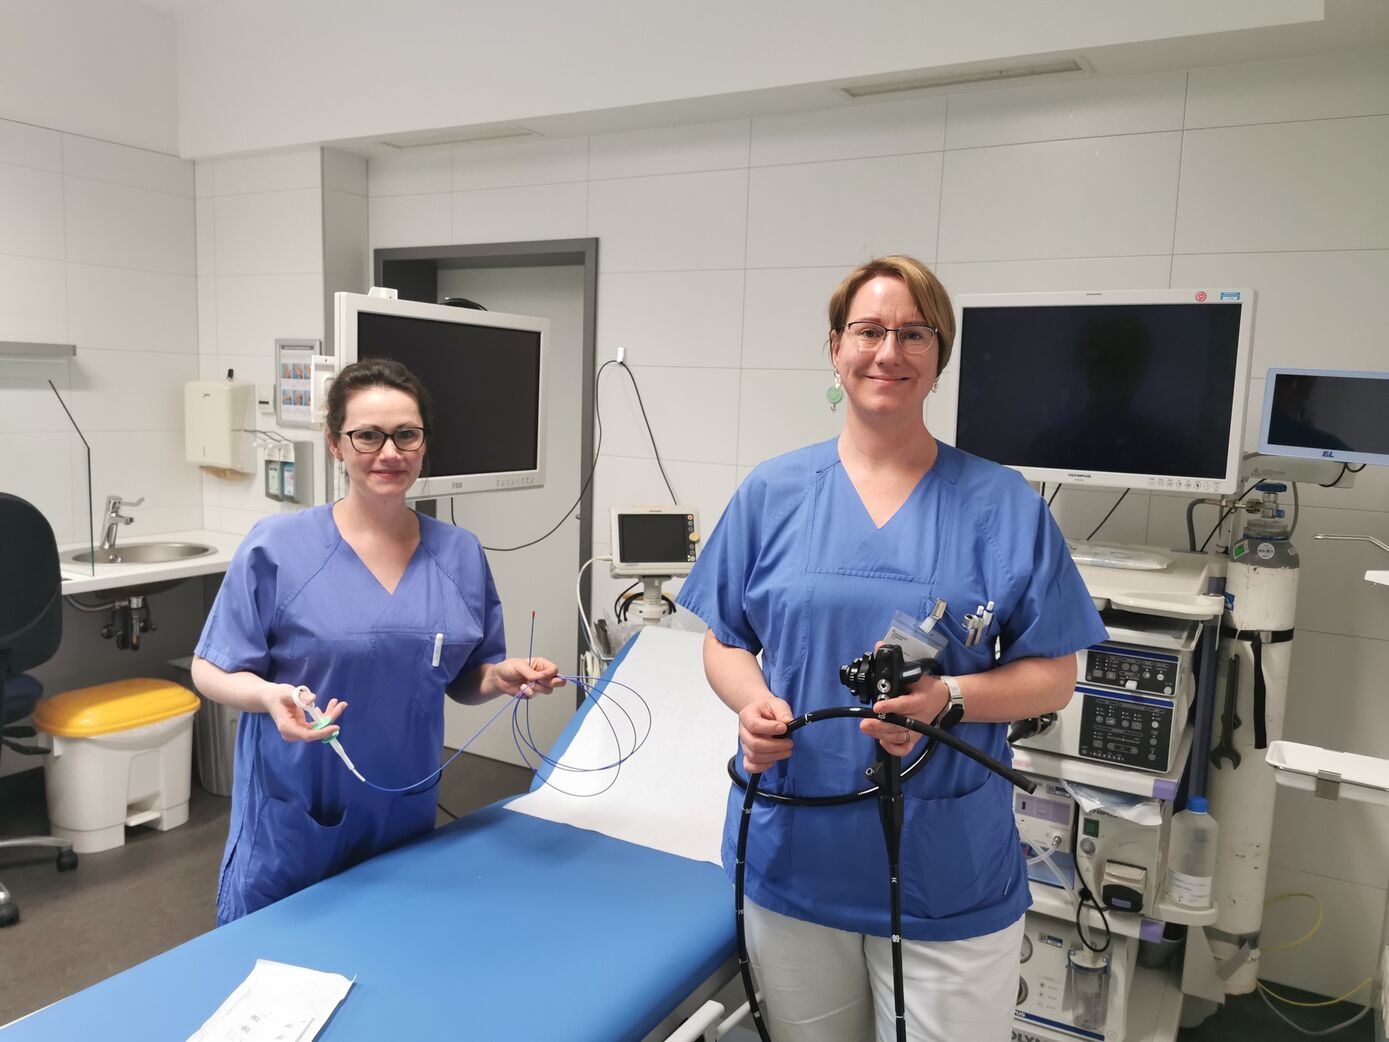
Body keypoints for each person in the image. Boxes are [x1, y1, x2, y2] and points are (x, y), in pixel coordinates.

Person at [677, 256, 1107, 1042]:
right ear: (835, 350)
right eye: (868, 330)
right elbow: (724, 641)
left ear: (939, 356)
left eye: (914, 334)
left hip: (943, 867)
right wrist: (751, 702)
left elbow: (1054, 675)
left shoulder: (1002, 504)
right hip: (795, 850)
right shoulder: (772, 493)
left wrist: (952, 698)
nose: (889, 352)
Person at [191, 358, 563, 924]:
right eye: (367, 435)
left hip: (402, 810)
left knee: (391, 954)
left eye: (406, 435)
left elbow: (465, 678)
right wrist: (269, 697)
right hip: (296, 813)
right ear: (336, 445)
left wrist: (499, 678)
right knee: (277, 973)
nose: (389, 453)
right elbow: (210, 668)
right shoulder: (278, 547)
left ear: (423, 443)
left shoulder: (460, 553)